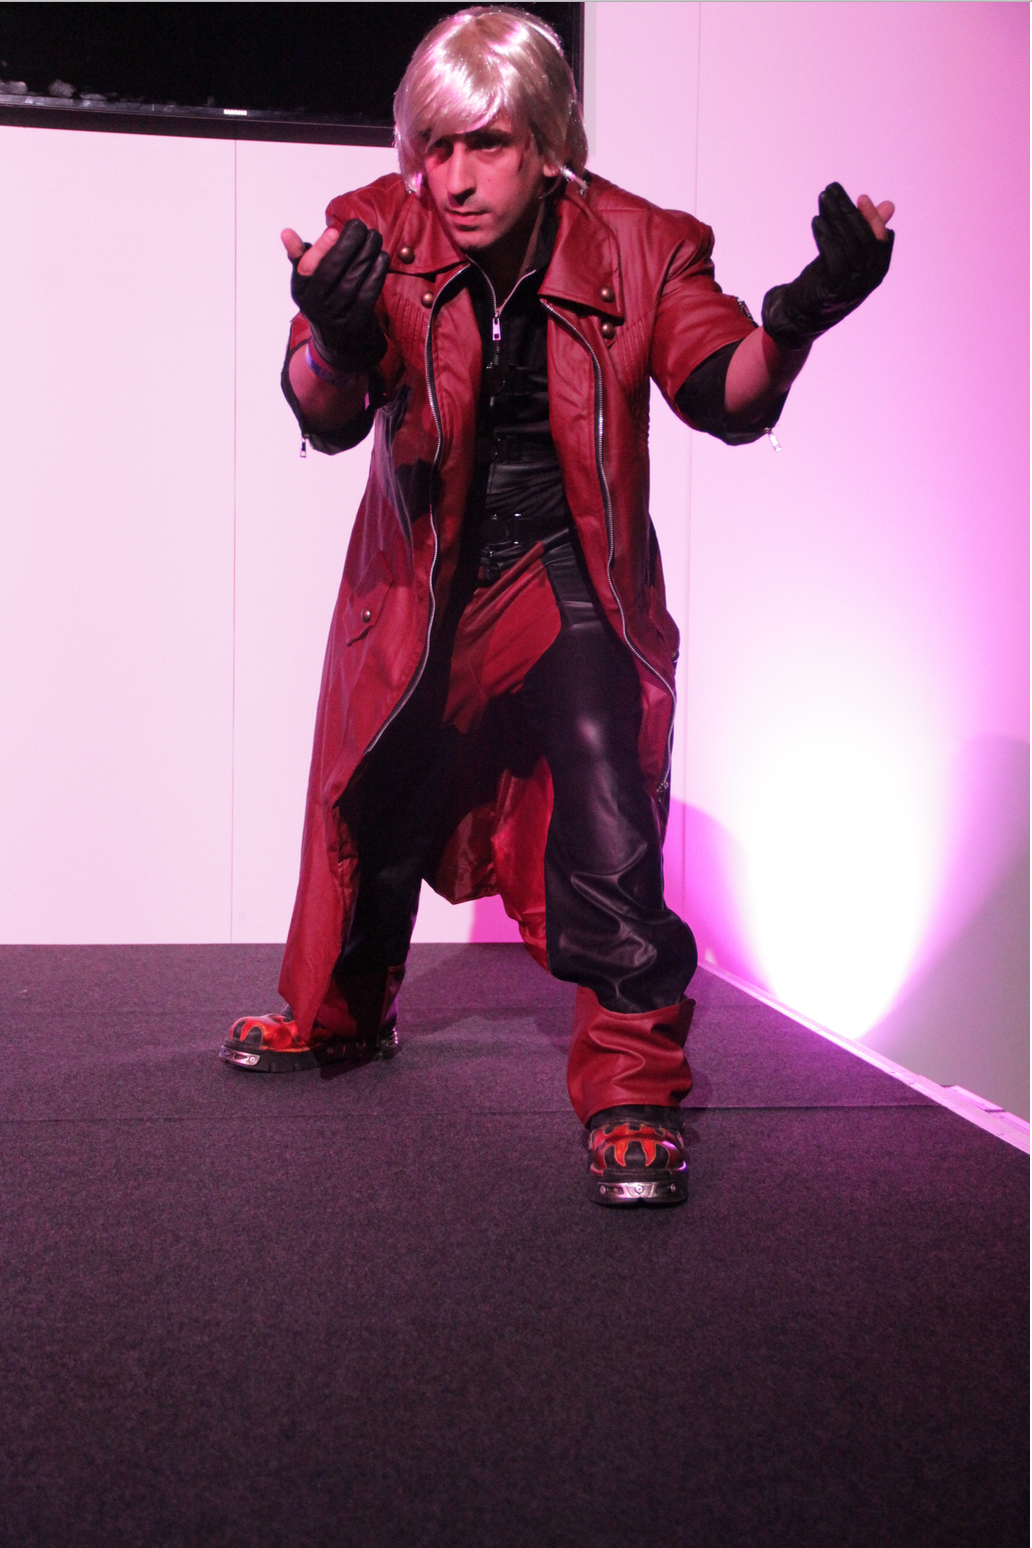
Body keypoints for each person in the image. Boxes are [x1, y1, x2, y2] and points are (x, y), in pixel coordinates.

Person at [219, 6, 894, 1206]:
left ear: (546, 146)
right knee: (379, 792)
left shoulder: (641, 242)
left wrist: (796, 323)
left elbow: (724, 394)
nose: (455, 179)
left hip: (567, 569)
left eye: (486, 145)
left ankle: (633, 1080)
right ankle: (345, 1013)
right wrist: (332, 338)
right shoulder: (375, 227)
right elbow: (322, 409)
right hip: (422, 578)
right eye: (436, 147)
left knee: (605, 785)